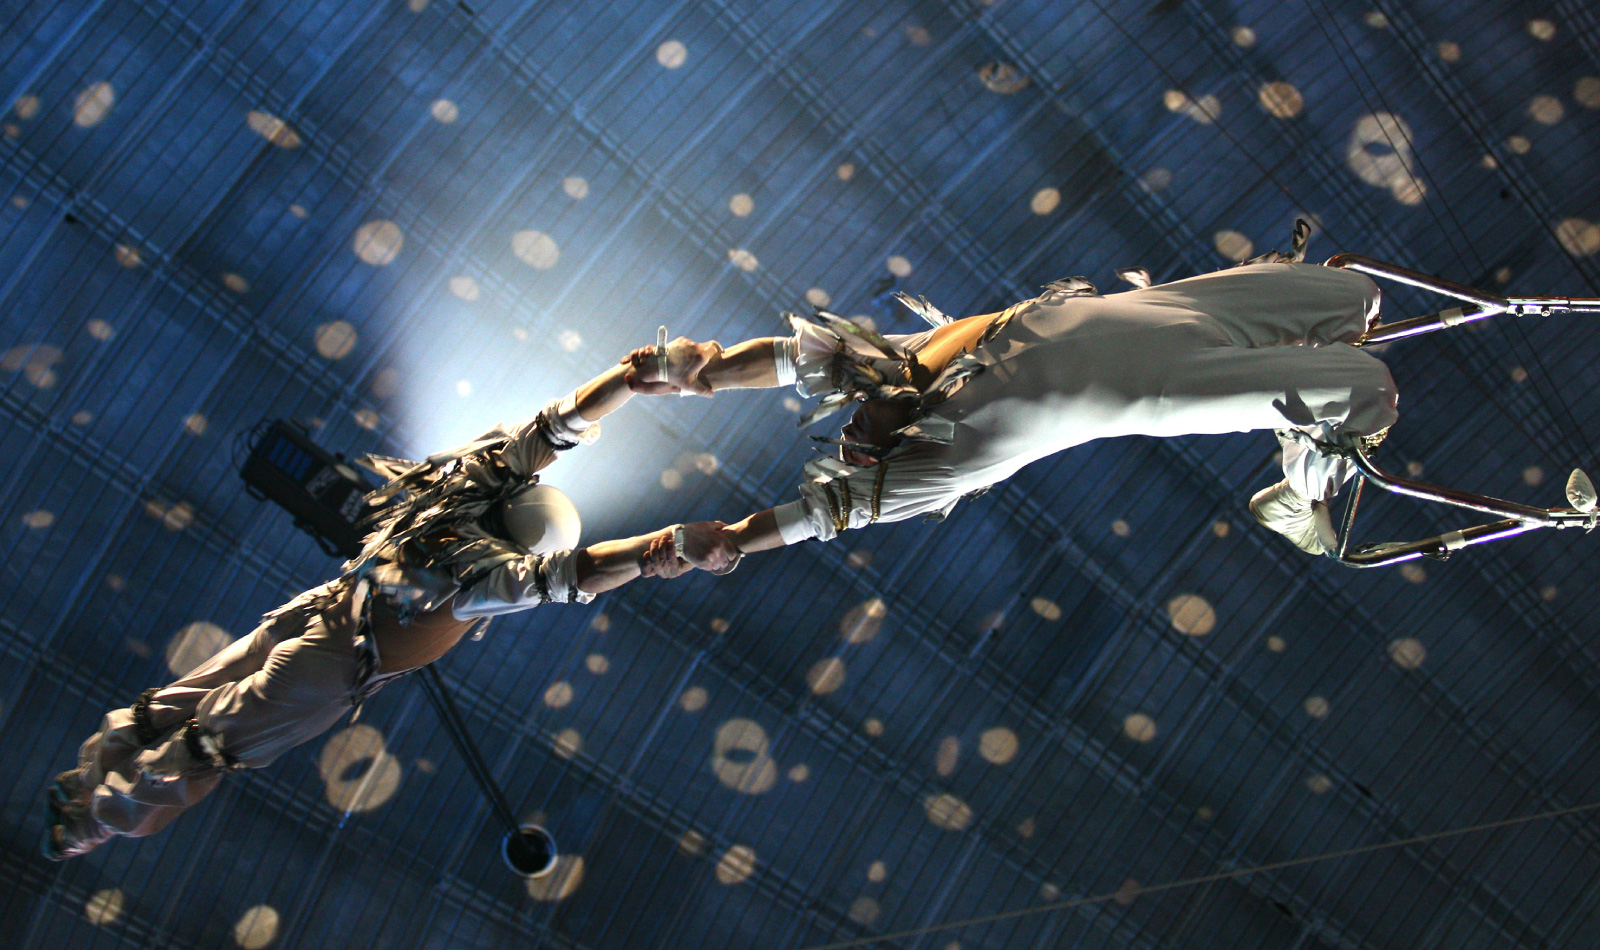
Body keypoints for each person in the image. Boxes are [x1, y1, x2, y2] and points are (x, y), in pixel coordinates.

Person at [44, 357, 738, 860]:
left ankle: (86, 785)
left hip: (325, 613)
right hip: (333, 661)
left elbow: (553, 428)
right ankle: (89, 820)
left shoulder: (465, 496)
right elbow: (578, 570)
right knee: (204, 742)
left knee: (179, 704)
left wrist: (627, 378)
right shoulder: (494, 576)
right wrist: (661, 547)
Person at [627, 245, 1396, 562]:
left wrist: (696, 367)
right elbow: (824, 516)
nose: (859, 422)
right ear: (870, 458)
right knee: (1368, 390)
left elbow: (801, 355)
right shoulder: (938, 465)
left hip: (1178, 312)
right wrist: (730, 536)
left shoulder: (912, 366)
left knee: (1358, 295)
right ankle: (1298, 498)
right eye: (860, 437)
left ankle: (1324, 376)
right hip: (1169, 386)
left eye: (858, 417)